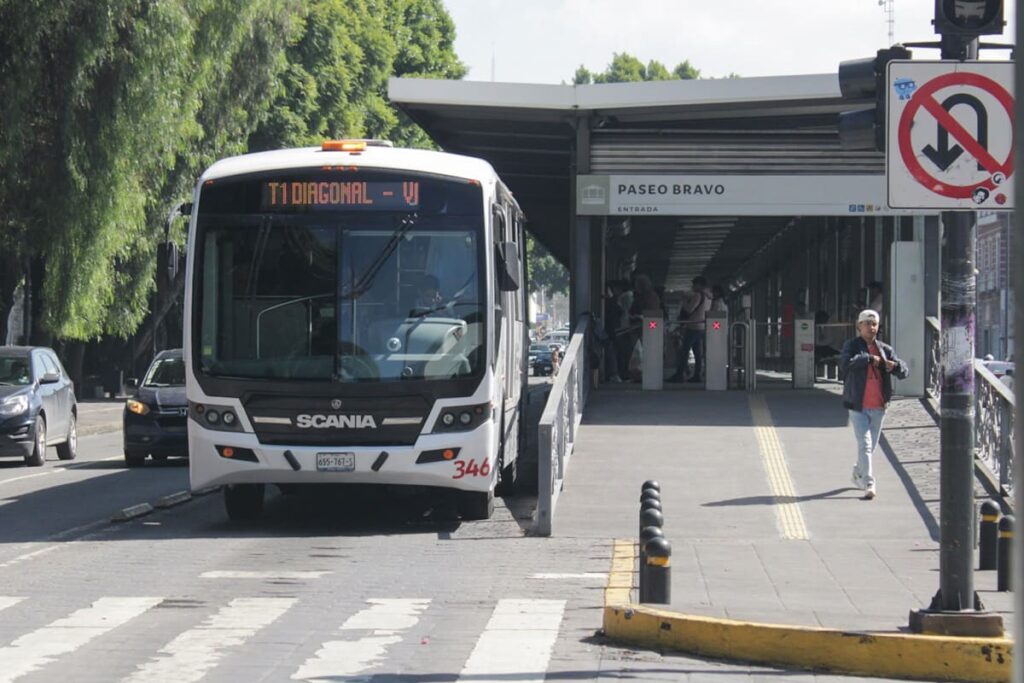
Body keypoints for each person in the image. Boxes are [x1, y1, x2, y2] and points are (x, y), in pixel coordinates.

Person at [840, 309, 909, 500]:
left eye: (874, 324)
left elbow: (904, 371)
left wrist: (895, 366)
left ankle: (857, 472)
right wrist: (869, 359)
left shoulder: (885, 349)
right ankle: (869, 483)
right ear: (859, 326)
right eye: (867, 324)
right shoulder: (852, 346)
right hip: (858, 404)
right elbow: (845, 365)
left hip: (879, 405)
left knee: (870, 447)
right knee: (865, 443)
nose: (871, 328)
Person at [668, 276, 712, 383]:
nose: (693, 286)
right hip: (701, 326)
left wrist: (684, 300)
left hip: (693, 326)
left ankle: (679, 374)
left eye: (695, 284)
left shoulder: (698, 295)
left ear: (700, 285)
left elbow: (689, 309)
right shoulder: (709, 297)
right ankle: (697, 374)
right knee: (697, 353)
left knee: (684, 351)